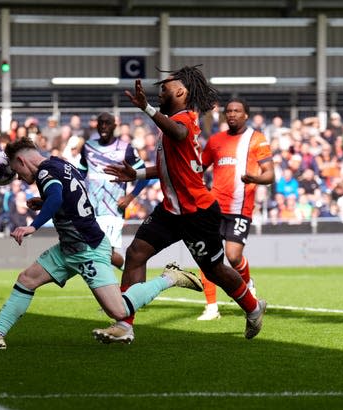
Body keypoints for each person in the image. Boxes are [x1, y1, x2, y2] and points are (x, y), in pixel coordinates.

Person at [0, 137, 204, 350]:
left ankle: (170, 277)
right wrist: (45, 201)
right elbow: (69, 194)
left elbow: (57, 195)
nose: (18, 177)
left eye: (16, 171)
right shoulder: (60, 163)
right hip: (69, 247)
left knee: (119, 310)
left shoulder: (45, 173)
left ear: (21, 160)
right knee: (26, 280)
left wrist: (33, 225)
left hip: (87, 248)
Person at [99, 66, 267, 343]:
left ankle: (252, 306)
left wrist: (148, 109)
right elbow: (171, 168)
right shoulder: (174, 121)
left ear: (180, 91)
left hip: (197, 213)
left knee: (215, 270)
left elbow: (178, 133)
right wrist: (137, 174)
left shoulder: (185, 119)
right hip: (170, 211)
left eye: (165, 87)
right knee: (136, 253)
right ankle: (124, 324)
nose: (160, 90)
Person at [196, 98, 275, 320]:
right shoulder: (215, 141)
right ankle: (211, 307)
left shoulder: (257, 139)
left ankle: (248, 284)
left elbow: (270, 174)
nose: (232, 114)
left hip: (240, 207)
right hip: (214, 207)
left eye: (237, 111)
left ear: (246, 115)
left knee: (233, 256)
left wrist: (255, 178)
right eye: (229, 111)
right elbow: (199, 168)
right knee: (206, 255)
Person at [78, 112, 148, 270]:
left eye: (107, 123)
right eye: (100, 123)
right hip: (90, 209)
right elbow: (80, 174)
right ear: (96, 125)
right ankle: (127, 270)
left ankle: (129, 268)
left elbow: (145, 175)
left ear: (114, 126)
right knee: (93, 251)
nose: (103, 126)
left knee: (105, 252)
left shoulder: (126, 149)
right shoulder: (88, 147)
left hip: (113, 209)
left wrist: (130, 197)